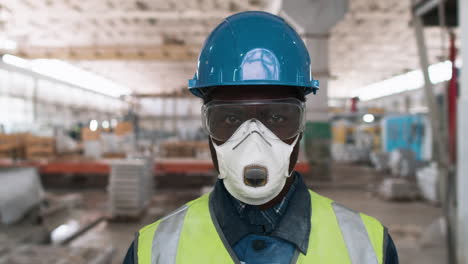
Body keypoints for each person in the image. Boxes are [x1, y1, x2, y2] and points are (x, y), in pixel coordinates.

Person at [124, 11, 398, 264]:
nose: (253, 139)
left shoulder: (368, 247)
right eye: (230, 119)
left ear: (301, 124)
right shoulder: (154, 251)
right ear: (207, 126)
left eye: (277, 118)